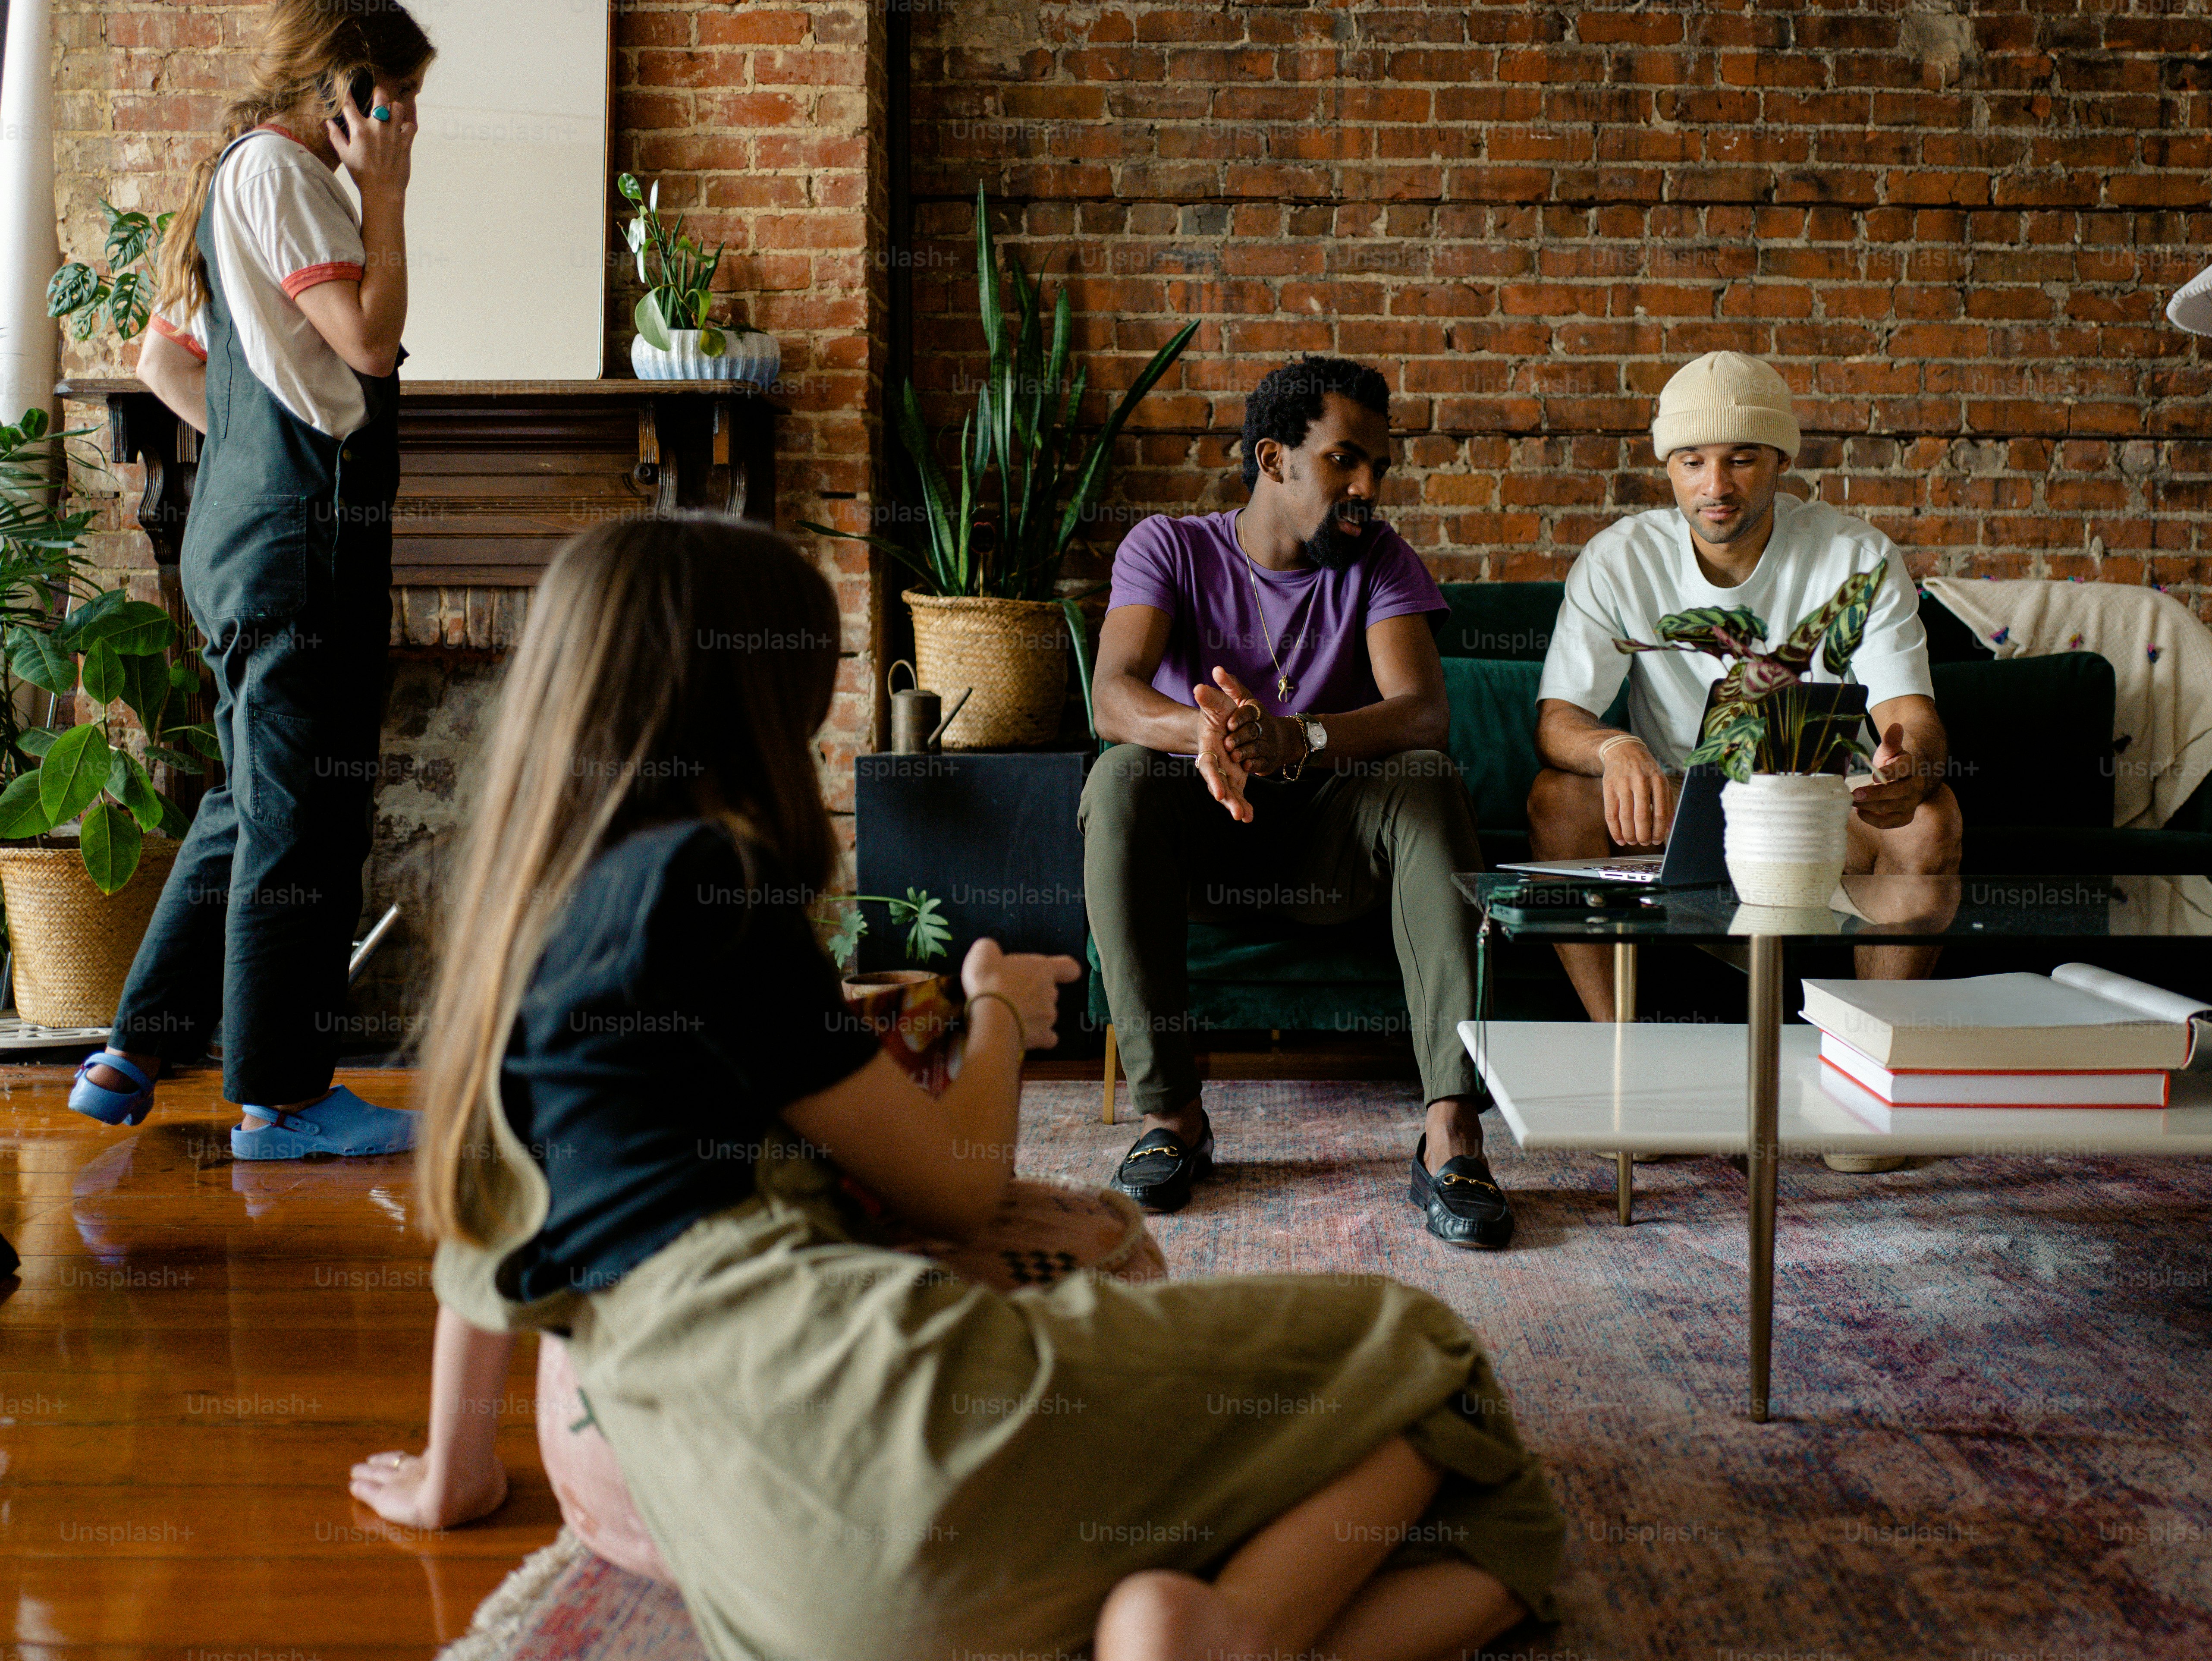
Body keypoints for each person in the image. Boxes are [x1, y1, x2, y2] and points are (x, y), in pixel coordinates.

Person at [358, 513, 1563, 1661]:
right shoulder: (703, 873)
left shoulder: (514, 944)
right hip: (896, 1430)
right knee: (1428, 1350)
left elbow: (477, 1259)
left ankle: (1162, 1612)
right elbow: (955, 1189)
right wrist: (1000, 1012)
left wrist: (449, 1474)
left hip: (769, 1583)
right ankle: (1228, 1631)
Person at [67, 0, 433, 1159]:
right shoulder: (282, 175)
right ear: (349, 86)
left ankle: (133, 1049)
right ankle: (278, 1099)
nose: (407, 125)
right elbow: (369, 341)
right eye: (399, 101)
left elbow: (167, 361)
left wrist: (253, 449)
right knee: (302, 818)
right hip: (299, 551)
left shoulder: (248, 177)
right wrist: (388, 198)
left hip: (254, 537)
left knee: (244, 800)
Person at [1080, 355, 1512, 1249]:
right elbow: (1112, 695)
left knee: (1429, 778)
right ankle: (1172, 1120)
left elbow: (1422, 713)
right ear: (1272, 459)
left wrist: (1297, 737)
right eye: (1344, 461)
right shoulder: (1167, 546)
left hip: (1335, 849)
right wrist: (1205, 736)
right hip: (1206, 838)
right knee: (1118, 776)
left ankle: (1451, 1132)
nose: (1366, 488)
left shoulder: (1380, 561)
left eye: (1379, 469)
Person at [1528, 351, 1963, 1151]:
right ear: (1667, 468)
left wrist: (1909, 766)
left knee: (1931, 820)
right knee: (1556, 797)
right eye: (1692, 461)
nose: (1715, 485)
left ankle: (1866, 1090)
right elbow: (1558, 719)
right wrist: (1613, 744)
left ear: (1781, 462)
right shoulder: (1619, 557)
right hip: (1679, 816)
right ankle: (1623, 1062)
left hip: (1824, 809)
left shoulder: (1855, 553)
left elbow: (1913, 715)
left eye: (1740, 458)